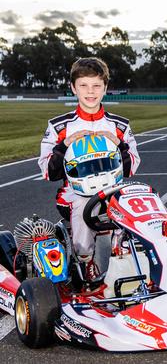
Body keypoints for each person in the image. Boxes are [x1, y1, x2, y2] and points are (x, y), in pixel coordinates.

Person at [38, 57, 140, 281]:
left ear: (105, 88)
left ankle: (136, 258)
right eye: (84, 85)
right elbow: (48, 171)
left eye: (96, 85)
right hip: (74, 193)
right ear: (74, 87)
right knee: (85, 202)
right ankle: (85, 261)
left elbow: (132, 166)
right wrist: (63, 146)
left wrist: (120, 144)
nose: (90, 92)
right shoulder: (59, 126)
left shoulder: (119, 125)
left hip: (114, 190)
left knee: (143, 198)